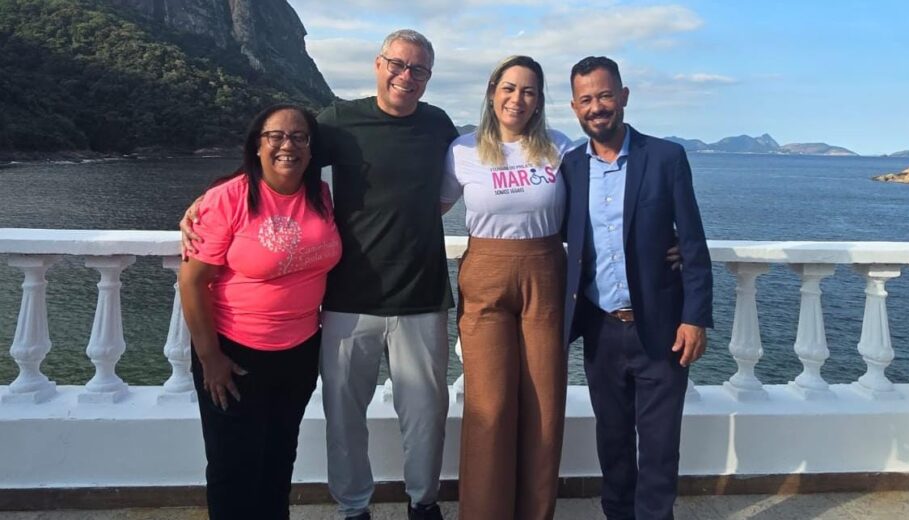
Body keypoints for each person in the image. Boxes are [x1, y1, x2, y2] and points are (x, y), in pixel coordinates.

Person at [183, 29, 456, 520]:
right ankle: (354, 509)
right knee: (343, 418)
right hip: (347, 300)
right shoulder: (340, 121)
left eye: (418, 69)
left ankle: (423, 504)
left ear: (429, 77)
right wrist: (211, 196)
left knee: (425, 416)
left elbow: (461, 181)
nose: (406, 76)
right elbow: (281, 155)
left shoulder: (438, 125)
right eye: (398, 64)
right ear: (379, 65)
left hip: (421, 295)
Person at [560, 57, 713, 520]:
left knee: (660, 447)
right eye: (586, 99)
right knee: (613, 443)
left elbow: (693, 242)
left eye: (605, 95)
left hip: (661, 328)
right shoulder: (570, 168)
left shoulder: (666, 158)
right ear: (574, 107)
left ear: (623, 96)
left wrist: (695, 317)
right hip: (601, 329)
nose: (597, 107)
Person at [179, 104, 342, 520]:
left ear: (311, 148)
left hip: (300, 352)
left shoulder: (320, 196)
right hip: (235, 355)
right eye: (276, 136)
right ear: (257, 144)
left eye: (300, 137)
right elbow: (192, 282)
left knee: (278, 460)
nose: (288, 145)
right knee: (234, 468)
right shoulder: (228, 198)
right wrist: (211, 358)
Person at [439, 55, 571, 520]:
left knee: (544, 403)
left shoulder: (559, 147)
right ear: (492, 92)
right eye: (509, 88)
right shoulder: (462, 150)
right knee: (489, 407)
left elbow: (599, 206)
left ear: (539, 101)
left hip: (545, 273)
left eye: (529, 91)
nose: (518, 99)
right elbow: (425, 207)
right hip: (485, 275)